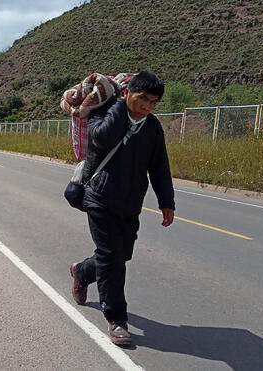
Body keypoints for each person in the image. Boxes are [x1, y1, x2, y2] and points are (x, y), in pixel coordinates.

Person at [69, 71, 175, 346]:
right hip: (100, 197)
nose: (147, 107)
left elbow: (159, 166)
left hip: (130, 203)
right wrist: (119, 107)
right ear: (127, 94)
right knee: (111, 257)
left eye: (153, 102)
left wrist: (167, 202)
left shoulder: (152, 127)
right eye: (142, 99)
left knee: (121, 255)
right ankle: (117, 319)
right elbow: (101, 139)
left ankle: (82, 272)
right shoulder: (102, 114)